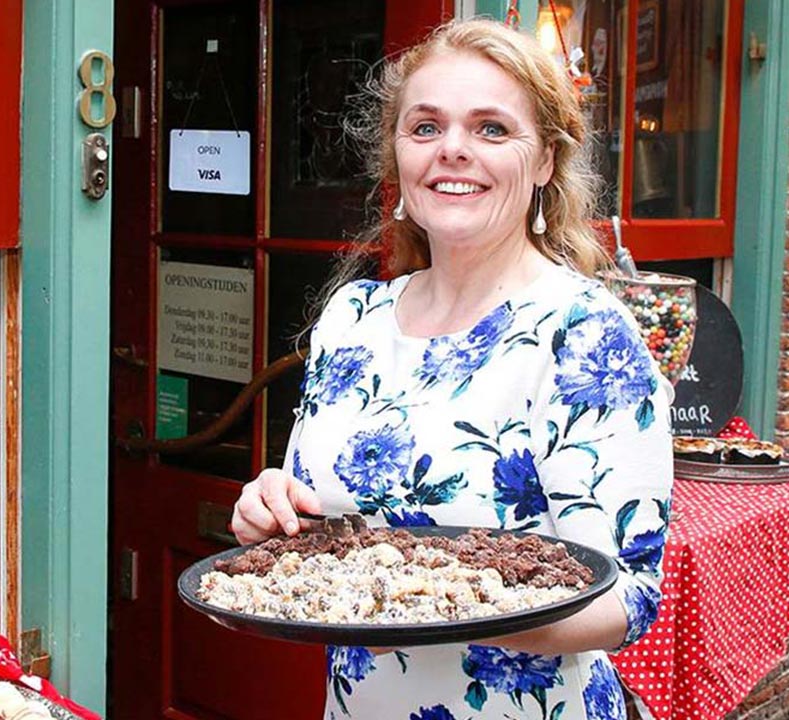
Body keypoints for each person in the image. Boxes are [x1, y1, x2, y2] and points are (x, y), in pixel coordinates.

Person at [229, 19, 673, 720]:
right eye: (426, 127)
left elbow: (630, 598)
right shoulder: (356, 319)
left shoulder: (583, 335)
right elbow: (321, 525)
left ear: (545, 161)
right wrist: (271, 512)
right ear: (397, 154)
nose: (454, 152)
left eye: (492, 130)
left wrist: (427, 606)